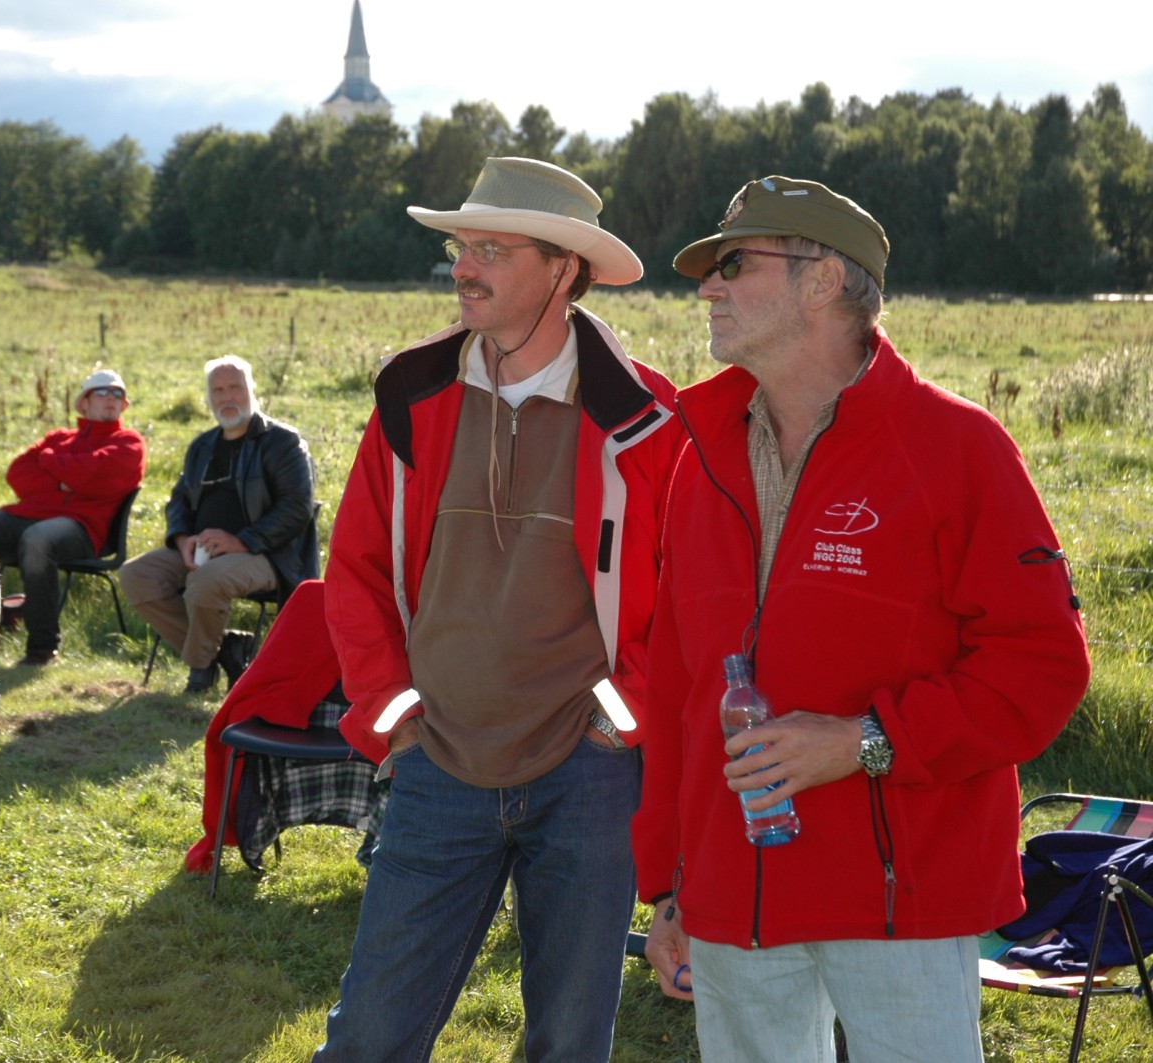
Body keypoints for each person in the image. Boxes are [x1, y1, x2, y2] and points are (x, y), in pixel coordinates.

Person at [633, 175, 1092, 1062]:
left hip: (903, 896)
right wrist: (669, 884)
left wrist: (864, 741)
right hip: (731, 893)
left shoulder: (959, 448)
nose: (708, 286)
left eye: (735, 263)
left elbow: (1041, 666)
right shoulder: (701, 455)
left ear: (822, 281)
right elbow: (677, 688)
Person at [316, 157, 682, 1060]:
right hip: (437, 761)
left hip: (588, 775)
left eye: (491, 249)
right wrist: (395, 719)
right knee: (369, 1037)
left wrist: (618, 722)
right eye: (460, 247)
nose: (463, 267)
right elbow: (356, 570)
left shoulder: (647, 417)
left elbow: (682, 599)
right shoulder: (411, 392)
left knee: (569, 1041)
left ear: (563, 269)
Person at [120, 355, 316, 693]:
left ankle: (200, 671)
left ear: (252, 389)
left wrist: (242, 541)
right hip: (202, 552)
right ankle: (226, 651)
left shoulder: (283, 442)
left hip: (268, 555)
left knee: (206, 581)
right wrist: (181, 539)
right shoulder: (202, 446)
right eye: (218, 390)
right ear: (208, 397)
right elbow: (179, 501)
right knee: (136, 575)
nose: (227, 397)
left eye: (235, 388)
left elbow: (297, 508)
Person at [0, 368, 145, 666]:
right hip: (30, 517)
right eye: (102, 392)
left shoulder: (129, 443)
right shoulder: (59, 438)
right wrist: (65, 481)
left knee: (38, 540)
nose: (111, 397)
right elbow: (17, 474)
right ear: (84, 402)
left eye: (118, 393)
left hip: (83, 530)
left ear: (124, 405)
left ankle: (42, 648)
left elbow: (97, 475)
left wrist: (48, 461)